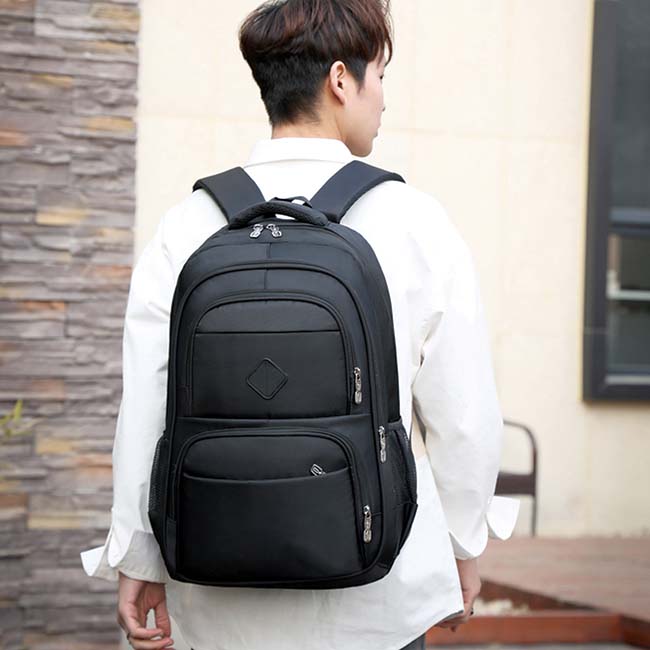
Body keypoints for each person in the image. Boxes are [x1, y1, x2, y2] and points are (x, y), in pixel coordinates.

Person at [79, 1, 520, 649]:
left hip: (216, 593)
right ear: (342, 80)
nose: (383, 98)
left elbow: (147, 407)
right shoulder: (414, 221)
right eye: (380, 77)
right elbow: (464, 415)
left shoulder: (190, 223)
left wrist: (139, 557)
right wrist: (460, 545)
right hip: (377, 596)